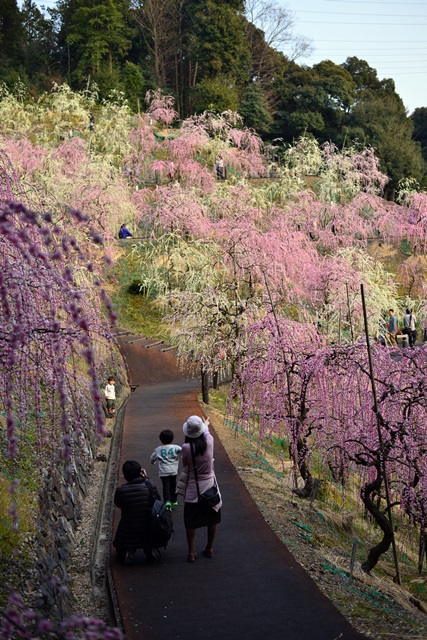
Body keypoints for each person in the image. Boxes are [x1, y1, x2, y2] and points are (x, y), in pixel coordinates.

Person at [180, 415, 222, 562]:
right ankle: (209, 548)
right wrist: (206, 424)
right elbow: (207, 433)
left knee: (190, 521)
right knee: (212, 519)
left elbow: (185, 465)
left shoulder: (186, 448)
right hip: (210, 487)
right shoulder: (210, 442)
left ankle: (191, 551)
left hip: (193, 489)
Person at [113, 460, 160, 565]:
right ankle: (149, 549)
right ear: (140, 472)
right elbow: (157, 500)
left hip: (128, 529)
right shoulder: (150, 486)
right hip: (148, 527)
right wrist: (146, 480)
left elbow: (118, 504)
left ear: (125, 476)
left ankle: (129, 550)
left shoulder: (121, 490)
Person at [150, 429, 182, 510]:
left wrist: (153, 462)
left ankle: (167, 501)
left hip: (163, 471)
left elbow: (152, 458)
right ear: (172, 438)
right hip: (173, 470)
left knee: (166, 486)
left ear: (161, 439)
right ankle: (174, 500)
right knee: (173, 484)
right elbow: (183, 451)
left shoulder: (158, 449)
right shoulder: (175, 447)